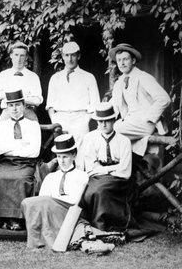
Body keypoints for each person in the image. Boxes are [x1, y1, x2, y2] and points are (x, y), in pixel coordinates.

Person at [21, 134, 88, 248]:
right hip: (50, 209)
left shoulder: (82, 176)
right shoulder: (51, 177)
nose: (61, 161)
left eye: (65, 157)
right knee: (27, 202)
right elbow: (42, 200)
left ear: (74, 155)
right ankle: (35, 240)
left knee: (46, 202)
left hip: (69, 210)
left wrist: (54, 202)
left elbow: (78, 201)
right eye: (59, 156)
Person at [109, 43, 171, 156]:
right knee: (106, 130)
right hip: (129, 121)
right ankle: (120, 165)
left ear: (133, 60)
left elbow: (164, 99)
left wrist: (149, 118)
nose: (122, 63)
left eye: (125, 59)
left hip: (146, 123)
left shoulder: (144, 77)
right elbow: (113, 104)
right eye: (119, 60)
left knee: (114, 130)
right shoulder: (119, 82)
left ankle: (122, 164)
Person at [79, 102, 133, 231]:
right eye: (100, 121)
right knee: (88, 192)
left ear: (114, 120)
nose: (103, 125)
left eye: (107, 121)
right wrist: (114, 167)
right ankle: (88, 224)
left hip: (119, 180)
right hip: (96, 178)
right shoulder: (90, 138)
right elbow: (91, 168)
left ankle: (104, 225)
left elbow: (125, 171)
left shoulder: (124, 141)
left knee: (100, 190)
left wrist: (102, 168)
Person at [0, 89, 41, 230]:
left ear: (24, 106)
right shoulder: (2, 125)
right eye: (11, 105)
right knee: (0, 178)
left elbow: (34, 151)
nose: (14, 109)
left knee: (21, 179)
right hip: (6, 162)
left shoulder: (32, 125)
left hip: (26, 162)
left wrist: (13, 147)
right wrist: (22, 145)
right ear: (7, 107)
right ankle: (5, 217)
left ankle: (19, 218)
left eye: (17, 105)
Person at [46, 41, 100, 147]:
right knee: (62, 151)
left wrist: (85, 120)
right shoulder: (55, 78)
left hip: (80, 119)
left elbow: (95, 104)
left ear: (78, 56)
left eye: (73, 55)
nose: (70, 59)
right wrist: (54, 119)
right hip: (60, 119)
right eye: (67, 55)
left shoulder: (88, 77)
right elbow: (50, 105)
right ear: (62, 56)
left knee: (81, 151)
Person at [0, 41, 43, 121]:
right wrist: (25, 97)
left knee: (34, 129)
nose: (19, 59)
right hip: (8, 112)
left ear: (26, 57)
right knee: (1, 130)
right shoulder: (3, 75)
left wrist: (13, 96)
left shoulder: (33, 77)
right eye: (16, 55)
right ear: (11, 56)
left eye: (22, 55)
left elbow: (37, 100)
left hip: (27, 111)